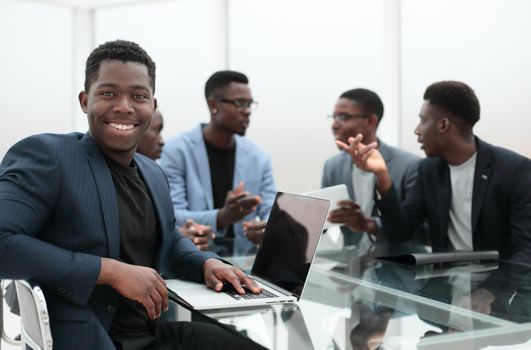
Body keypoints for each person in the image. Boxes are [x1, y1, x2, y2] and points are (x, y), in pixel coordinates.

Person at [0, 39, 263, 350]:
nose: (124, 106)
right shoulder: (49, 155)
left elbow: (169, 241)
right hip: (88, 336)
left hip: (148, 334)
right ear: (85, 101)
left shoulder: (152, 172)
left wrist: (205, 264)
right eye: (108, 93)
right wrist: (108, 271)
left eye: (138, 96)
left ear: (152, 104)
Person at [337, 80, 531, 263]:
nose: (417, 130)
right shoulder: (429, 169)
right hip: (444, 284)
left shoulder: (513, 170)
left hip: (496, 287)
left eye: (422, 121)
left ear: (443, 125)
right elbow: (399, 232)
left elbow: (526, 250)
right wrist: (382, 175)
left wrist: (490, 293)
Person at [159, 70, 276, 256]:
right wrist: (221, 218)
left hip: (245, 260)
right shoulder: (177, 150)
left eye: (249, 104)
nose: (246, 111)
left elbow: (271, 209)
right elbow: (173, 216)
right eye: (240, 103)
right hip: (193, 256)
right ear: (213, 105)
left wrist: (267, 230)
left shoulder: (259, 156)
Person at [324, 88, 422, 246]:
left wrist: (370, 225)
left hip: (399, 266)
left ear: (370, 121)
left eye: (343, 117)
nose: (334, 125)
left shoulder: (411, 165)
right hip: (352, 266)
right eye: (334, 117)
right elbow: (324, 219)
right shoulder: (332, 166)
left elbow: (414, 228)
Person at [137, 109, 212, 251]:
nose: (162, 141)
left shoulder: (154, 178)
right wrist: (172, 237)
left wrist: (184, 234)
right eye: (157, 130)